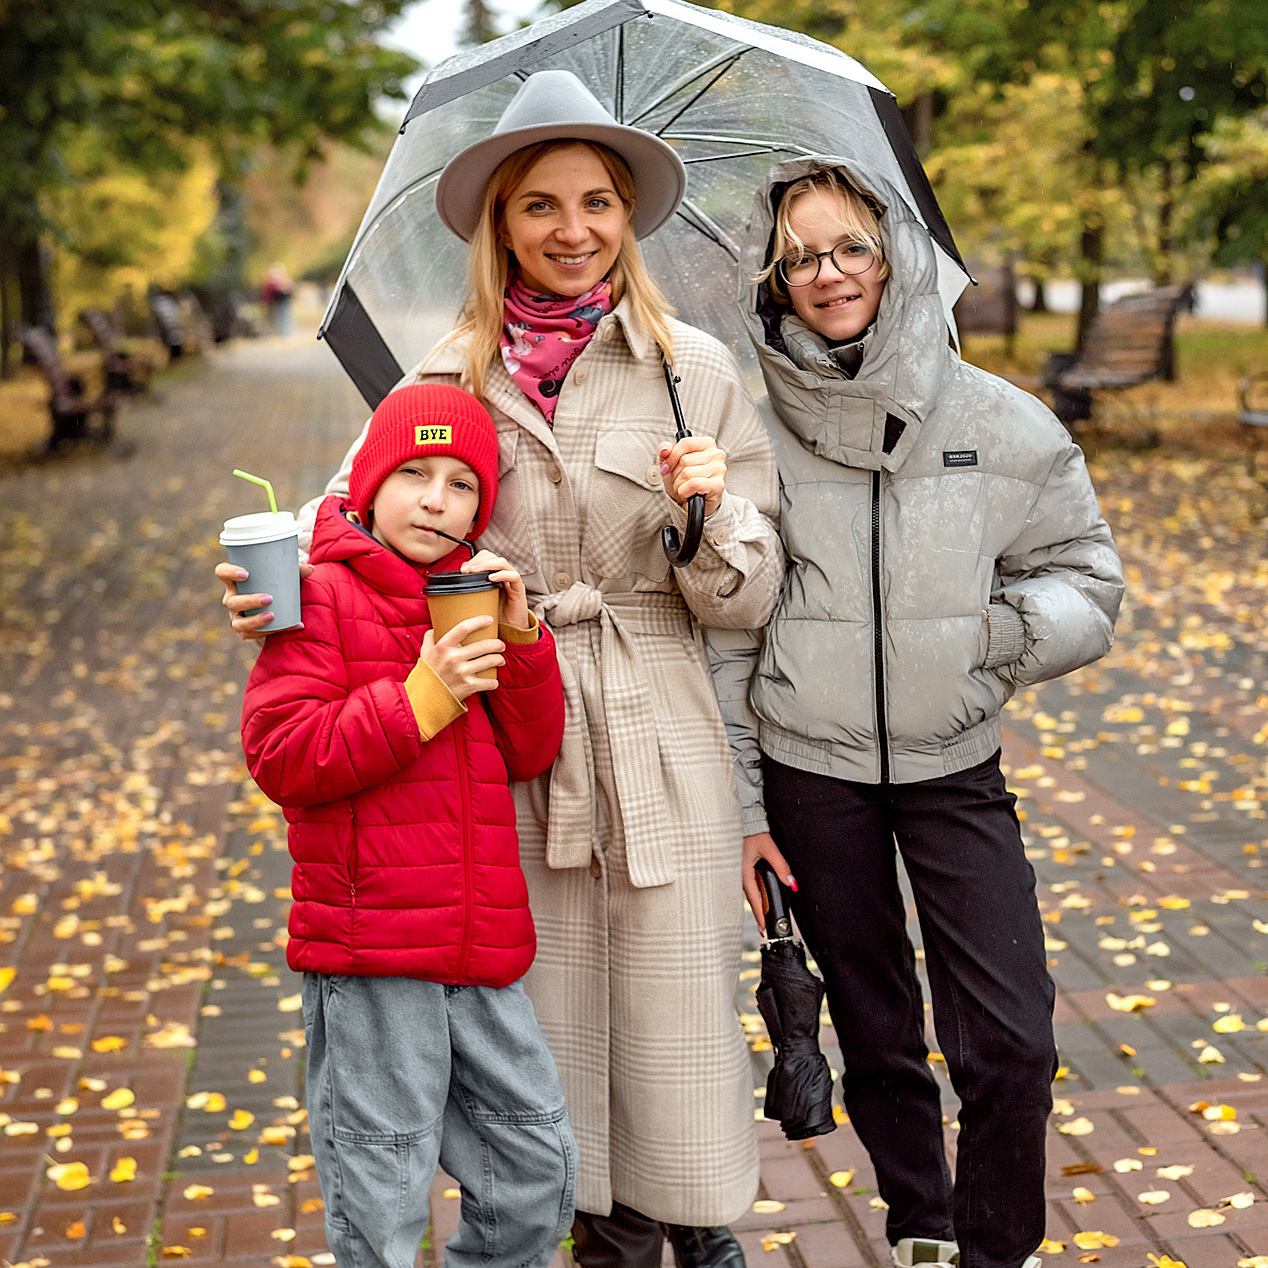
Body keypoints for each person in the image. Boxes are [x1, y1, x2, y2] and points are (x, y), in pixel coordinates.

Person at [220, 70, 783, 1268]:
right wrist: (264, 593)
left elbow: (749, 592)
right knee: (553, 1029)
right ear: (499, 222)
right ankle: (597, 1231)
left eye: (596, 201)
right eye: (539, 204)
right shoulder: (442, 375)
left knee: (675, 1014)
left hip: (657, 721)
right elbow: (349, 521)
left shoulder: (695, 370)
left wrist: (709, 515)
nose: (571, 229)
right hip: (506, 732)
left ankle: (695, 1226)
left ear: (628, 215)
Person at [710, 160, 1125, 1268]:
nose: (827, 273)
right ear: (774, 278)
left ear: (892, 256)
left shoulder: (998, 419)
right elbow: (727, 634)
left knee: (1010, 1041)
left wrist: (985, 637)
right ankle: (923, 1229)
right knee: (877, 1031)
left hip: (954, 763)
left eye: (849, 246)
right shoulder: (746, 433)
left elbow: (1086, 577)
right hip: (809, 771)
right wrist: (748, 808)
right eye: (799, 256)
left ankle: (998, 1245)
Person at [240, 382, 573, 1268]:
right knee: (382, 1197)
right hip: (372, 953)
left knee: (535, 1172)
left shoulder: (465, 601)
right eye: (416, 474)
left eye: (463, 483)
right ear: (370, 485)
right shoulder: (316, 596)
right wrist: (421, 699)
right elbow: (283, 756)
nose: (438, 499)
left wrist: (525, 638)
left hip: (480, 947)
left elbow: (532, 751)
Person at [260, 262, 295, 335]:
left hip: (281, 302)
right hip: (275, 302)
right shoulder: (273, 281)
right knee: (278, 317)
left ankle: (286, 332)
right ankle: (281, 332)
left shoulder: (282, 280)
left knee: (283, 316)